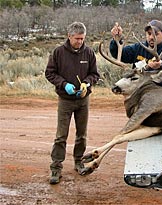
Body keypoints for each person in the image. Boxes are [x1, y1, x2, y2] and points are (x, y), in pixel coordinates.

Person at [45, 21, 100, 185]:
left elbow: (95, 74)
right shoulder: (58, 52)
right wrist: (63, 84)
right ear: (69, 36)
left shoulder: (89, 53)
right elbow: (49, 73)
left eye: (82, 39)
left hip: (83, 100)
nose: (80, 42)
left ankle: (79, 162)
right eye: (77, 39)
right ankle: (56, 168)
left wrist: (87, 83)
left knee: (81, 135)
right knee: (61, 136)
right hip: (65, 100)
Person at [110, 19, 162, 89]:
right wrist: (116, 40)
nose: (151, 37)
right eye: (149, 33)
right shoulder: (138, 48)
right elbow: (119, 54)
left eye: (156, 34)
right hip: (140, 92)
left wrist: (161, 63)